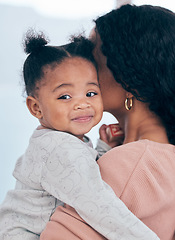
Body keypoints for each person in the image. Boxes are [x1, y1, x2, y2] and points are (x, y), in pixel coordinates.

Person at [40, 4, 175, 240]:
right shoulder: (167, 158)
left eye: (92, 53)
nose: (81, 66)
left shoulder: (135, 164)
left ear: (128, 78)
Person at [0, 30, 159, 240]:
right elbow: (100, 206)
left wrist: (103, 147)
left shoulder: (56, 142)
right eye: (65, 96)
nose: (82, 103)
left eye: (91, 93)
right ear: (36, 108)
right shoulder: (59, 148)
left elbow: (82, 176)